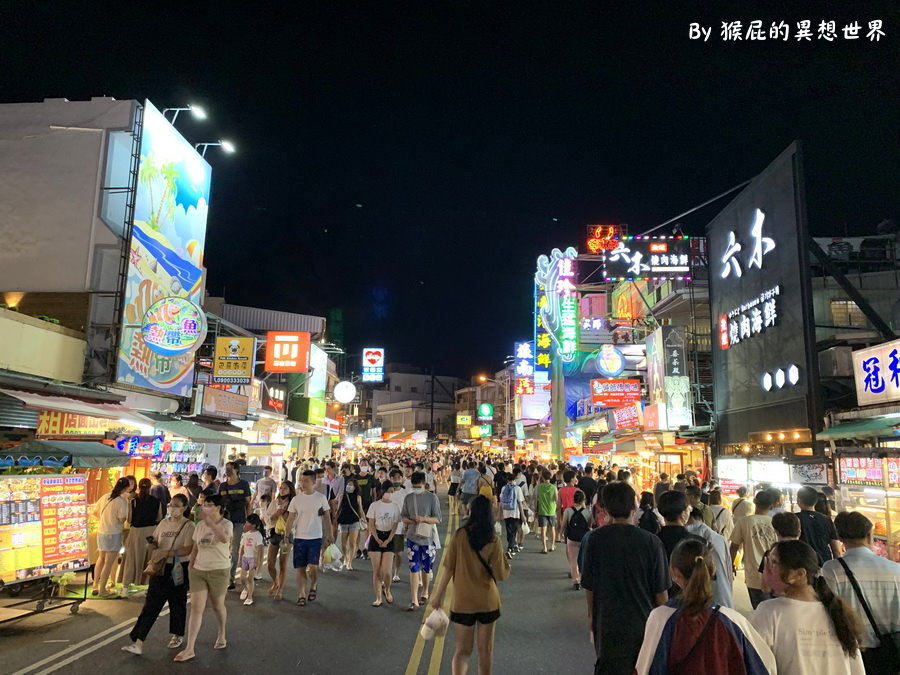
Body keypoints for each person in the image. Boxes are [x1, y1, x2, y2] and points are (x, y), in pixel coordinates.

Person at [635, 537, 776, 674]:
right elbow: (765, 664)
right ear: (713, 570)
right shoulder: (733, 621)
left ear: (674, 573)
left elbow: (643, 668)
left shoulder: (660, 618)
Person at [582, 482, 670, 675]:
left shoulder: (594, 539)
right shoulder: (651, 542)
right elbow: (660, 592)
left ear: (605, 509)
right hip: (643, 625)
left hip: (607, 623)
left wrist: (592, 617)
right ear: (634, 506)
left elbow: (589, 586)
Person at [751, 539, 865, 675]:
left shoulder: (769, 612)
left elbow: (755, 664)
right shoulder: (837, 611)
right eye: (767, 560)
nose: (767, 567)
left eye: (774, 562)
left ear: (799, 574)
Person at [431, 494, 510, 675]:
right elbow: (501, 574)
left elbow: (448, 568)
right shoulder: (493, 540)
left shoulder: (460, 536)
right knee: (485, 650)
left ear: (471, 512)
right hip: (487, 601)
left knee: (462, 651)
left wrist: (438, 596)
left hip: (463, 602)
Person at [821, 511, 900, 674]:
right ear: (869, 535)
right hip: (890, 651)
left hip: (851, 652)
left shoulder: (831, 570)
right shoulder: (895, 570)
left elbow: (828, 613)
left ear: (841, 539)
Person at [122, 494, 196, 656]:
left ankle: (177, 634)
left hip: (178, 568)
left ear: (184, 507)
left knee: (177, 602)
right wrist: (154, 547)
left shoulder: (188, 526)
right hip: (160, 568)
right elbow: (154, 539)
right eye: (171, 504)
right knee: (151, 605)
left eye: (176, 505)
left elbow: (188, 549)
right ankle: (138, 640)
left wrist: (167, 553)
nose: (172, 508)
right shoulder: (163, 523)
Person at [174, 494, 232, 662]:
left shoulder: (226, 524)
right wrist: (191, 566)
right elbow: (195, 548)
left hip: (219, 570)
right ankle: (190, 648)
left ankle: (221, 633)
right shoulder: (199, 526)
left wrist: (211, 523)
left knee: (217, 606)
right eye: (204, 504)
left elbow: (224, 538)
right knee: (196, 608)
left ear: (218, 508)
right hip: (199, 570)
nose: (205, 507)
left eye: (209, 505)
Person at [285, 470, 334, 606]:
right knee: (300, 567)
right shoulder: (296, 499)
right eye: (301, 480)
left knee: (313, 567)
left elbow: (327, 517)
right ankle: (301, 594)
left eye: (306, 481)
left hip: (315, 537)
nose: (303, 483)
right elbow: (290, 518)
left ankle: (314, 584)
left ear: (313, 482)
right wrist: (286, 534)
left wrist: (330, 534)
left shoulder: (321, 498)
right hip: (299, 537)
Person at [730, 489, 778, 609]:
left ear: (754, 501)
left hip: (753, 575)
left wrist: (730, 565)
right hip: (775, 574)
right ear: (772, 506)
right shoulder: (776, 523)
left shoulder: (744, 522)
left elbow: (733, 547)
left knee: (759, 611)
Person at [401, 471, 442, 611]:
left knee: (426, 568)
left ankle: (425, 591)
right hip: (412, 538)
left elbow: (437, 518)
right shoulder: (408, 498)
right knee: (413, 568)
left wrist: (424, 519)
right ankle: (414, 599)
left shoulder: (432, 498)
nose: (416, 488)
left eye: (418, 486)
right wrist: (412, 520)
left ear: (424, 484)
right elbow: (403, 517)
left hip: (428, 539)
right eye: (414, 486)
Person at [685, 508, 734, 609]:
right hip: (722, 597)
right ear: (702, 519)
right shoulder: (721, 539)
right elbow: (728, 570)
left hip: (695, 602)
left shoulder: (685, 537)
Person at [92, 477, 130, 597]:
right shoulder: (122, 501)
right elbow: (122, 519)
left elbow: (95, 512)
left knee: (101, 558)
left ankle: (95, 585)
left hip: (101, 531)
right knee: (108, 562)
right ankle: (103, 590)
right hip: (113, 533)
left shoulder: (105, 496)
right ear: (126, 488)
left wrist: (103, 520)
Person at [366, 480, 402, 607]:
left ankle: (387, 589)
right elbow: (371, 524)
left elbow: (395, 525)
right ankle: (378, 598)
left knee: (386, 571)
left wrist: (387, 540)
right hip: (376, 536)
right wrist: (377, 539)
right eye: (387, 491)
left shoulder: (395, 506)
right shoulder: (374, 505)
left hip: (389, 537)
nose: (389, 494)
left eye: (392, 492)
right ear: (382, 491)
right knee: (377, 571)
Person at [218, 461, 252, 589]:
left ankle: (230, 578)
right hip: (223, 521)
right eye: (226, 468)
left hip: (238, 520)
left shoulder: (244, 484)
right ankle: (223, 575)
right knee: (222, 548)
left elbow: (248, 503)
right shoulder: (222, 486)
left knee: (234, 549)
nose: (227, 471)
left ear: (237, 470)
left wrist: (249, 521)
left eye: (230, 469)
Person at [122, 478, 162, 587]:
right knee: (149, 558)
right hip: (150, 533)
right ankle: (147, 583)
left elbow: (129, 519)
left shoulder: (133, 501)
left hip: (136, 533)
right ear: (150, 488)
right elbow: (159, 518)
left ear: (139, 487)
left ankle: (126, 584)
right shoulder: (156, 501)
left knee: (132, 558)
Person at [796, 485, 842, 565]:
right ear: (815, 501)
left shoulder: (795, 518)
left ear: (799, 501)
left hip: (803, 564)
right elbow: (837, 551)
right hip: (824, 564)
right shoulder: (827, 520)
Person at [265, 480, 295, 600]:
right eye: (281, 488)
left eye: (285, 488)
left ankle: (280, 589)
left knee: (283, 563)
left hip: (286, 535)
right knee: (270, 564)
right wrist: (275, 514)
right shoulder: (274, 502)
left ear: (290, 490)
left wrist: (285, 515)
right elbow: (267, 518)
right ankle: (275, 582)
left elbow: (295, 520)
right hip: (274, 533)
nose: (282, 490)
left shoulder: (293, 503)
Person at [561, 489, 591, 590]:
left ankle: (576, 581)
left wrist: (561, 534)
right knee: (583, 559)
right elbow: (590, 526)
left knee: (573, 560)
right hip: (584, 539)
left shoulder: (568, 511)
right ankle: (583, 579)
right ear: (584, 500)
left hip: (572, 538)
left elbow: (564, 525)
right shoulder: (587, 512)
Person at [336, 477, 365, 571]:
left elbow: (360, 509)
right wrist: (334, 519)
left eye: (351, 485)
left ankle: (349, 562)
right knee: (343, 544)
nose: (349, 486)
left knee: (352, 543)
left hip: (354, 521)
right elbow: (339, 508)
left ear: (355, 487)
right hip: (344, 520)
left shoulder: (358, 497)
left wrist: (364, 519)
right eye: (348, 484)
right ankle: (345, 557)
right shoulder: (342, 496)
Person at [238, 514, 265, 606]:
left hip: (253, 559)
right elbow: (242, 548)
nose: (245, 524)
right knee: (242, 578)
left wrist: (258, 563)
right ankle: (246, 589)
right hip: (245, 558)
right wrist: (240, 559)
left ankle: (250, 597)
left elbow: (259, 551)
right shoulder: (245, 535)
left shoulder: (258, 536)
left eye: (248, 522)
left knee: (250, 578)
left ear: (253, 525)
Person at [499, 473, 526, 559]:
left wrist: (499, 514)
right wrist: (523, 515)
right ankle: (510, 548)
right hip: (515, 512)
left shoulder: (504, 488)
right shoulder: (517, 488)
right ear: (514, 480)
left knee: (509, 530)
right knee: (514, 531)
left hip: (506, 512)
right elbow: (520, 503)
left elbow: (501, 502)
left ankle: (511, 546)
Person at [536, 470, 558, 554]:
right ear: (550, 477)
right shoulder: (553, 487)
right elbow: (556, 499)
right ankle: (552, 545)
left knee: (543, 529)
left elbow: (537, 498)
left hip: (542, 510)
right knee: (552, 528)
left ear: (542, 478)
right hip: (552, 510)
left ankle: (544, 547)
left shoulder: (539, 487)